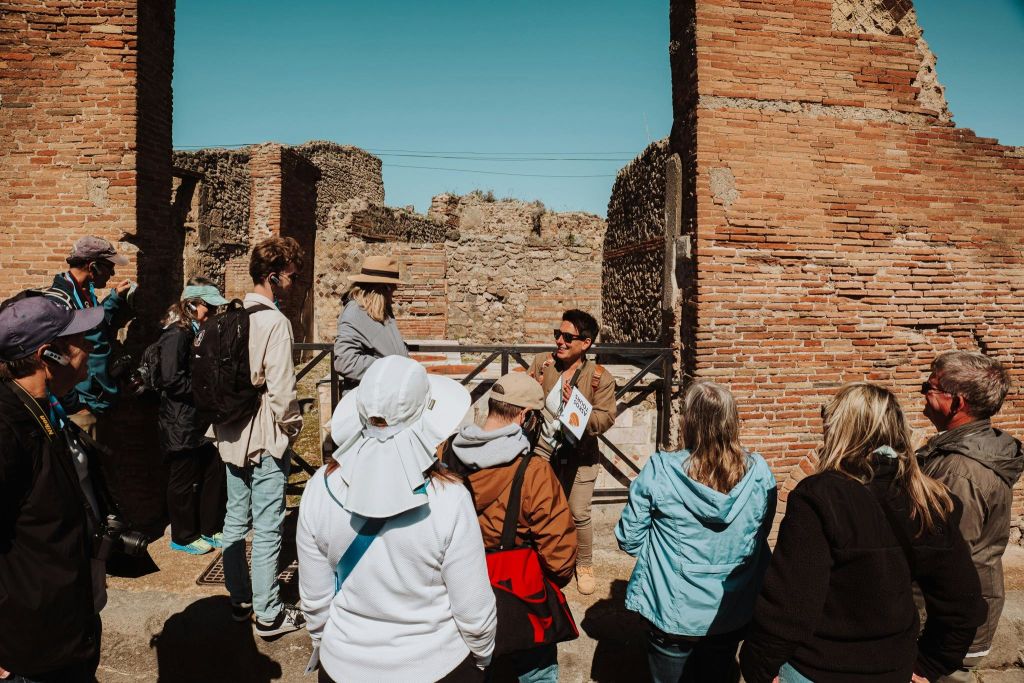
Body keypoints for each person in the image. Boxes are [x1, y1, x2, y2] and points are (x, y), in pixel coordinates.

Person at [739, 382, 987, 683]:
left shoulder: (819, 496)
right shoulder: (926, 499)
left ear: (842, 429)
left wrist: (758, 668)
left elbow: (789, 606)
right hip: (893, 667)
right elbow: (964, 602)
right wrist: (930, 664)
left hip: (817, 670)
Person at [298, 355, 497, 682]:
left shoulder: (319, 487)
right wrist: (483, 658)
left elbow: (315, 600)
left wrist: (324, 643)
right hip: (435, 666)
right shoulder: (449, 498)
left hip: (343, 666)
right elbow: (474, 613)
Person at [616, 381, 776, 683]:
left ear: (688, 421)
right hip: (730, 611)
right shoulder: (760, 473)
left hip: (671, 612)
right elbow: (761, 532)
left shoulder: (661, 470)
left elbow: (629, 538)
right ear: (732, 422)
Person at [443, 372, 578, 683]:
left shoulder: (446, 455)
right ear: (526, 417)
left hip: (459, 601)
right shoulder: (534, 473)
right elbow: (560, 558)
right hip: (520, 606)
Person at [0, 293, 105, 682]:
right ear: (50, 355)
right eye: (79, 339)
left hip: (67, 632)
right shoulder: (7, 426)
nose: (90, 346)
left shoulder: (45, 409)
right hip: (31, 653)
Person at [209, 236, 305, 638]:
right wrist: (294, 428)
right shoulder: (274, 322)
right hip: (265, 434)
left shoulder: (228, 315)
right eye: (290, 277)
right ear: (272, 276)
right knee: (268, 526)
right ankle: (269, 614)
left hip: (230, 432)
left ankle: (239, 598)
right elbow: (282, 392)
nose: (293, 285)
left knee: (234, 518)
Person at [917, 351, 1023, 681]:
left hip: (945, 630)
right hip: (955, 618)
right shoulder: (962, 452)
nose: (922, 392)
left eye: (929, 386)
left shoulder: (961, 473)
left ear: (957, 403)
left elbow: (944, 561)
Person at [528, 308, 616, 595]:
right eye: (558, 335)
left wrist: (579, 407)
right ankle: (542, 559)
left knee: (578, 512)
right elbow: (523, 395)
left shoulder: (599, 378)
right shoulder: (543, 364)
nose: (560, 342)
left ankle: (585, 563)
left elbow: (605, 419)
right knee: (540, 508)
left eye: (568, 337)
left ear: (586, 343)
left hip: (581, 454)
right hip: (542, 450)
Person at [156, 278, 229, 555]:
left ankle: (210, 528)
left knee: (212, 468)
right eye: (207, 306)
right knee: (183, 479)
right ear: (191, 305)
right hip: (179, 419)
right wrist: (206, 391)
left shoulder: (196, 331)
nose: (210, 312)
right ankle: (183, 536)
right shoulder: (177, 334)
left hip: (195, 417)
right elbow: (171, 379)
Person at [49, 236, 136, 437]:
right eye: (109, 267)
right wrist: (74, 404)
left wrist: (114, 298)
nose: (112, 272)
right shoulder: (62, 302)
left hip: (96, 399)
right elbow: (53, 358)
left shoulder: (86, 293)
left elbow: (95, 326)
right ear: (93, 266)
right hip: (81, 406)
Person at [332, 254, 408, 390]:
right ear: (383, 288)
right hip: (370, 397)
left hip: (387, 392)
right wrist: (389, 368)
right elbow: (345, 362)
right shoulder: (355, 312)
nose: (396, 289)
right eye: (393, 285)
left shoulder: (380, 310)